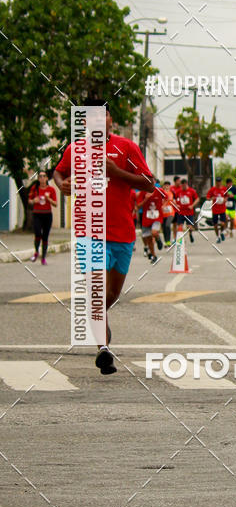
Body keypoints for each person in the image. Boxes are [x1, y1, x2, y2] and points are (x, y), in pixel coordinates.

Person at [54, 99, 154, 375]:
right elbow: (60, 171)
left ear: (110, 119)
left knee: (112, 293)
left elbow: (149, 182)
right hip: (90, 232)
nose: (99, 121)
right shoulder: (76, 149)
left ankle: (100, 318)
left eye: (104, 115)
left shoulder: (126, 148)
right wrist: (61, 184)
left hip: (122, 233)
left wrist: (116, 173)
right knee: (96, 292)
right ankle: (103, 349)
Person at [28, 170, 57, 264]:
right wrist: (33, 201)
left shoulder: (51, 190)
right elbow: (29, 201)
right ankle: (36, 252)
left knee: (45, 236)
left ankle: (43, 258)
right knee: (37, 233)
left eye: (44, 176)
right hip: (37, 214)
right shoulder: (34, 188)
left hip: (47, 215)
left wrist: (48, 199)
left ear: (47, 178)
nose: (42, 178)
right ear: (38, 179)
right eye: (40, 176)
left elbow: (55, 204)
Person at [138, 183, 164, 262]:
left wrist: (163, 205)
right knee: (148, 239)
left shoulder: (159, 190)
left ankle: (158, 238)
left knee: (154, 232)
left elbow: (168, 197)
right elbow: (138, 206)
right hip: (146, 218)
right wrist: (146, 199)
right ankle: (154, 255)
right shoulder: (142, 192)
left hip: (157, 217)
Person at [206, 177, 228, 243]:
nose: (218, 183)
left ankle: (221, 232)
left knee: (222, 223)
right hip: (215, 209)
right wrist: (211, 198)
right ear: (216, 182)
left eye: (219, 181)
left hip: (222, 209)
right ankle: (218, 237)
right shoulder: (213, 189)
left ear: (221, 182)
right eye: (217, 182)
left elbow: (226, 196)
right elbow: (207, 197)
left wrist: (225, 199)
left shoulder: (224, 189)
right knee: (215, 225)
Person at [160, 180, 175, 246]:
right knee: (163, 227)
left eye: (168, 185)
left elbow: (168, 199)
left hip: (170, 213)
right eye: (165, 185)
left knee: (167, 225)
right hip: (163, 213)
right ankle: (166, 241)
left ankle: (168, 241)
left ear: (170, 186)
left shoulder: (170, 193)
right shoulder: (160, 193)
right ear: (163, 186)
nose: (166, 186)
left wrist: (164, 205)